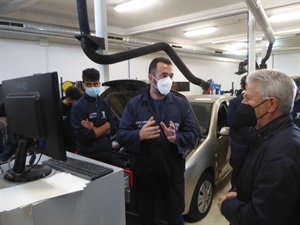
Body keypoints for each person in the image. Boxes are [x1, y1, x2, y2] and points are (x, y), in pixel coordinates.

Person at [116, 57, 198, 225]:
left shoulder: (180, 104)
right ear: (151, 78)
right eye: (164, 75)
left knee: (174, 218)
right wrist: (139, 135)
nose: (168, 80)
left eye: (171, 75)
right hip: (144, 178)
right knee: (146, 219)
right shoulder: (135, 105)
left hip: (171, 176)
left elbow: (193, 135)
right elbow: (121, 135)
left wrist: (177, 138)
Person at [218, 69, 300, 225]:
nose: (242, 103)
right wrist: (242, 194)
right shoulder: (266, 136)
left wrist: (227, 206)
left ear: (271, 104)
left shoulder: (281, 152)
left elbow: (262, 218)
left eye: (248, 98)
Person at [70, 68, 116, 164]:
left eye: (95, 84)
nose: (93, 87)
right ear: (83, 85)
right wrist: (106, 126)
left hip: (107, 155)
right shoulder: (78, 106)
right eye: (89, 85)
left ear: (99, 83)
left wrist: (94, 129)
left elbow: (113, 128)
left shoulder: (105, 102)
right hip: (88, 158)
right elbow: (84, 136)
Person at [227, 75, 248, 191]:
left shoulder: (258, 102)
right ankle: (235, 190)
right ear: (245, 86)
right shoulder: (235, 102)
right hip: (239, 144)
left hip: (254, 143)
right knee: (237, 170)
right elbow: (232, 121)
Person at [61, 86, 83, 153]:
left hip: (76, 145)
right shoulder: (56, 109)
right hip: (65, 146)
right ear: (69, 99)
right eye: (77, 101)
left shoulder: (75, 108)